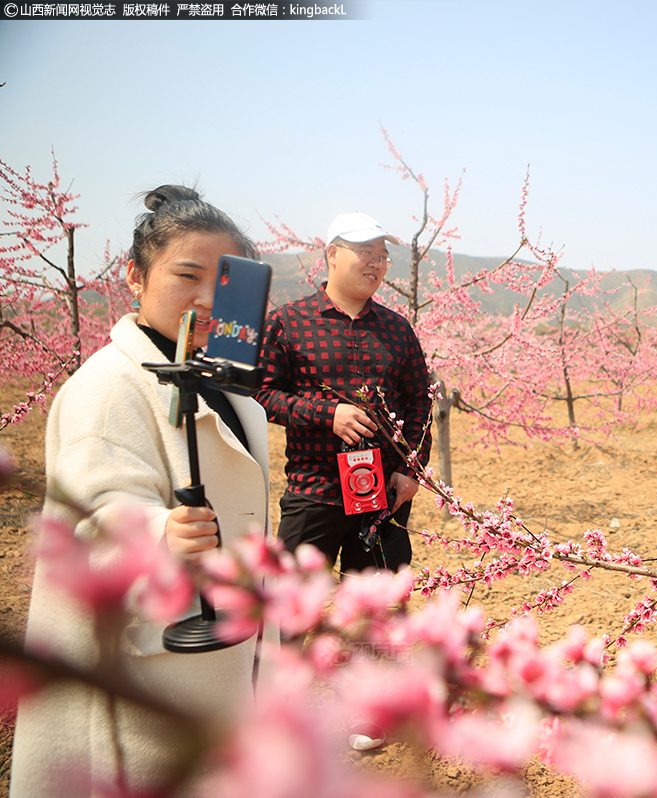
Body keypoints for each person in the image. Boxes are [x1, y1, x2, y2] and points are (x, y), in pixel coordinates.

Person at [10, 185, 271, 796]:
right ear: (134, 275)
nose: (207, 300)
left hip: (216, 658)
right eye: (187, 275)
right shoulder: (108, 388)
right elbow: (92, 516)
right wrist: (158, 531)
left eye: (225, 283)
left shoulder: (223, 382)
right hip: (149, 673)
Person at [256, 212, 431, 575]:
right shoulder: (288, 322)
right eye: (366, 252)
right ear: (332, 254)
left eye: (382, 257)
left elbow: (420, 402)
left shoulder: (397, 329)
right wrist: (327, 414)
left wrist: (411, 469)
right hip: (314, 491)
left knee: (376, 616)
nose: (377, 264)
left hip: (385, 495)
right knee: (290, 609)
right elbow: (261, 394)